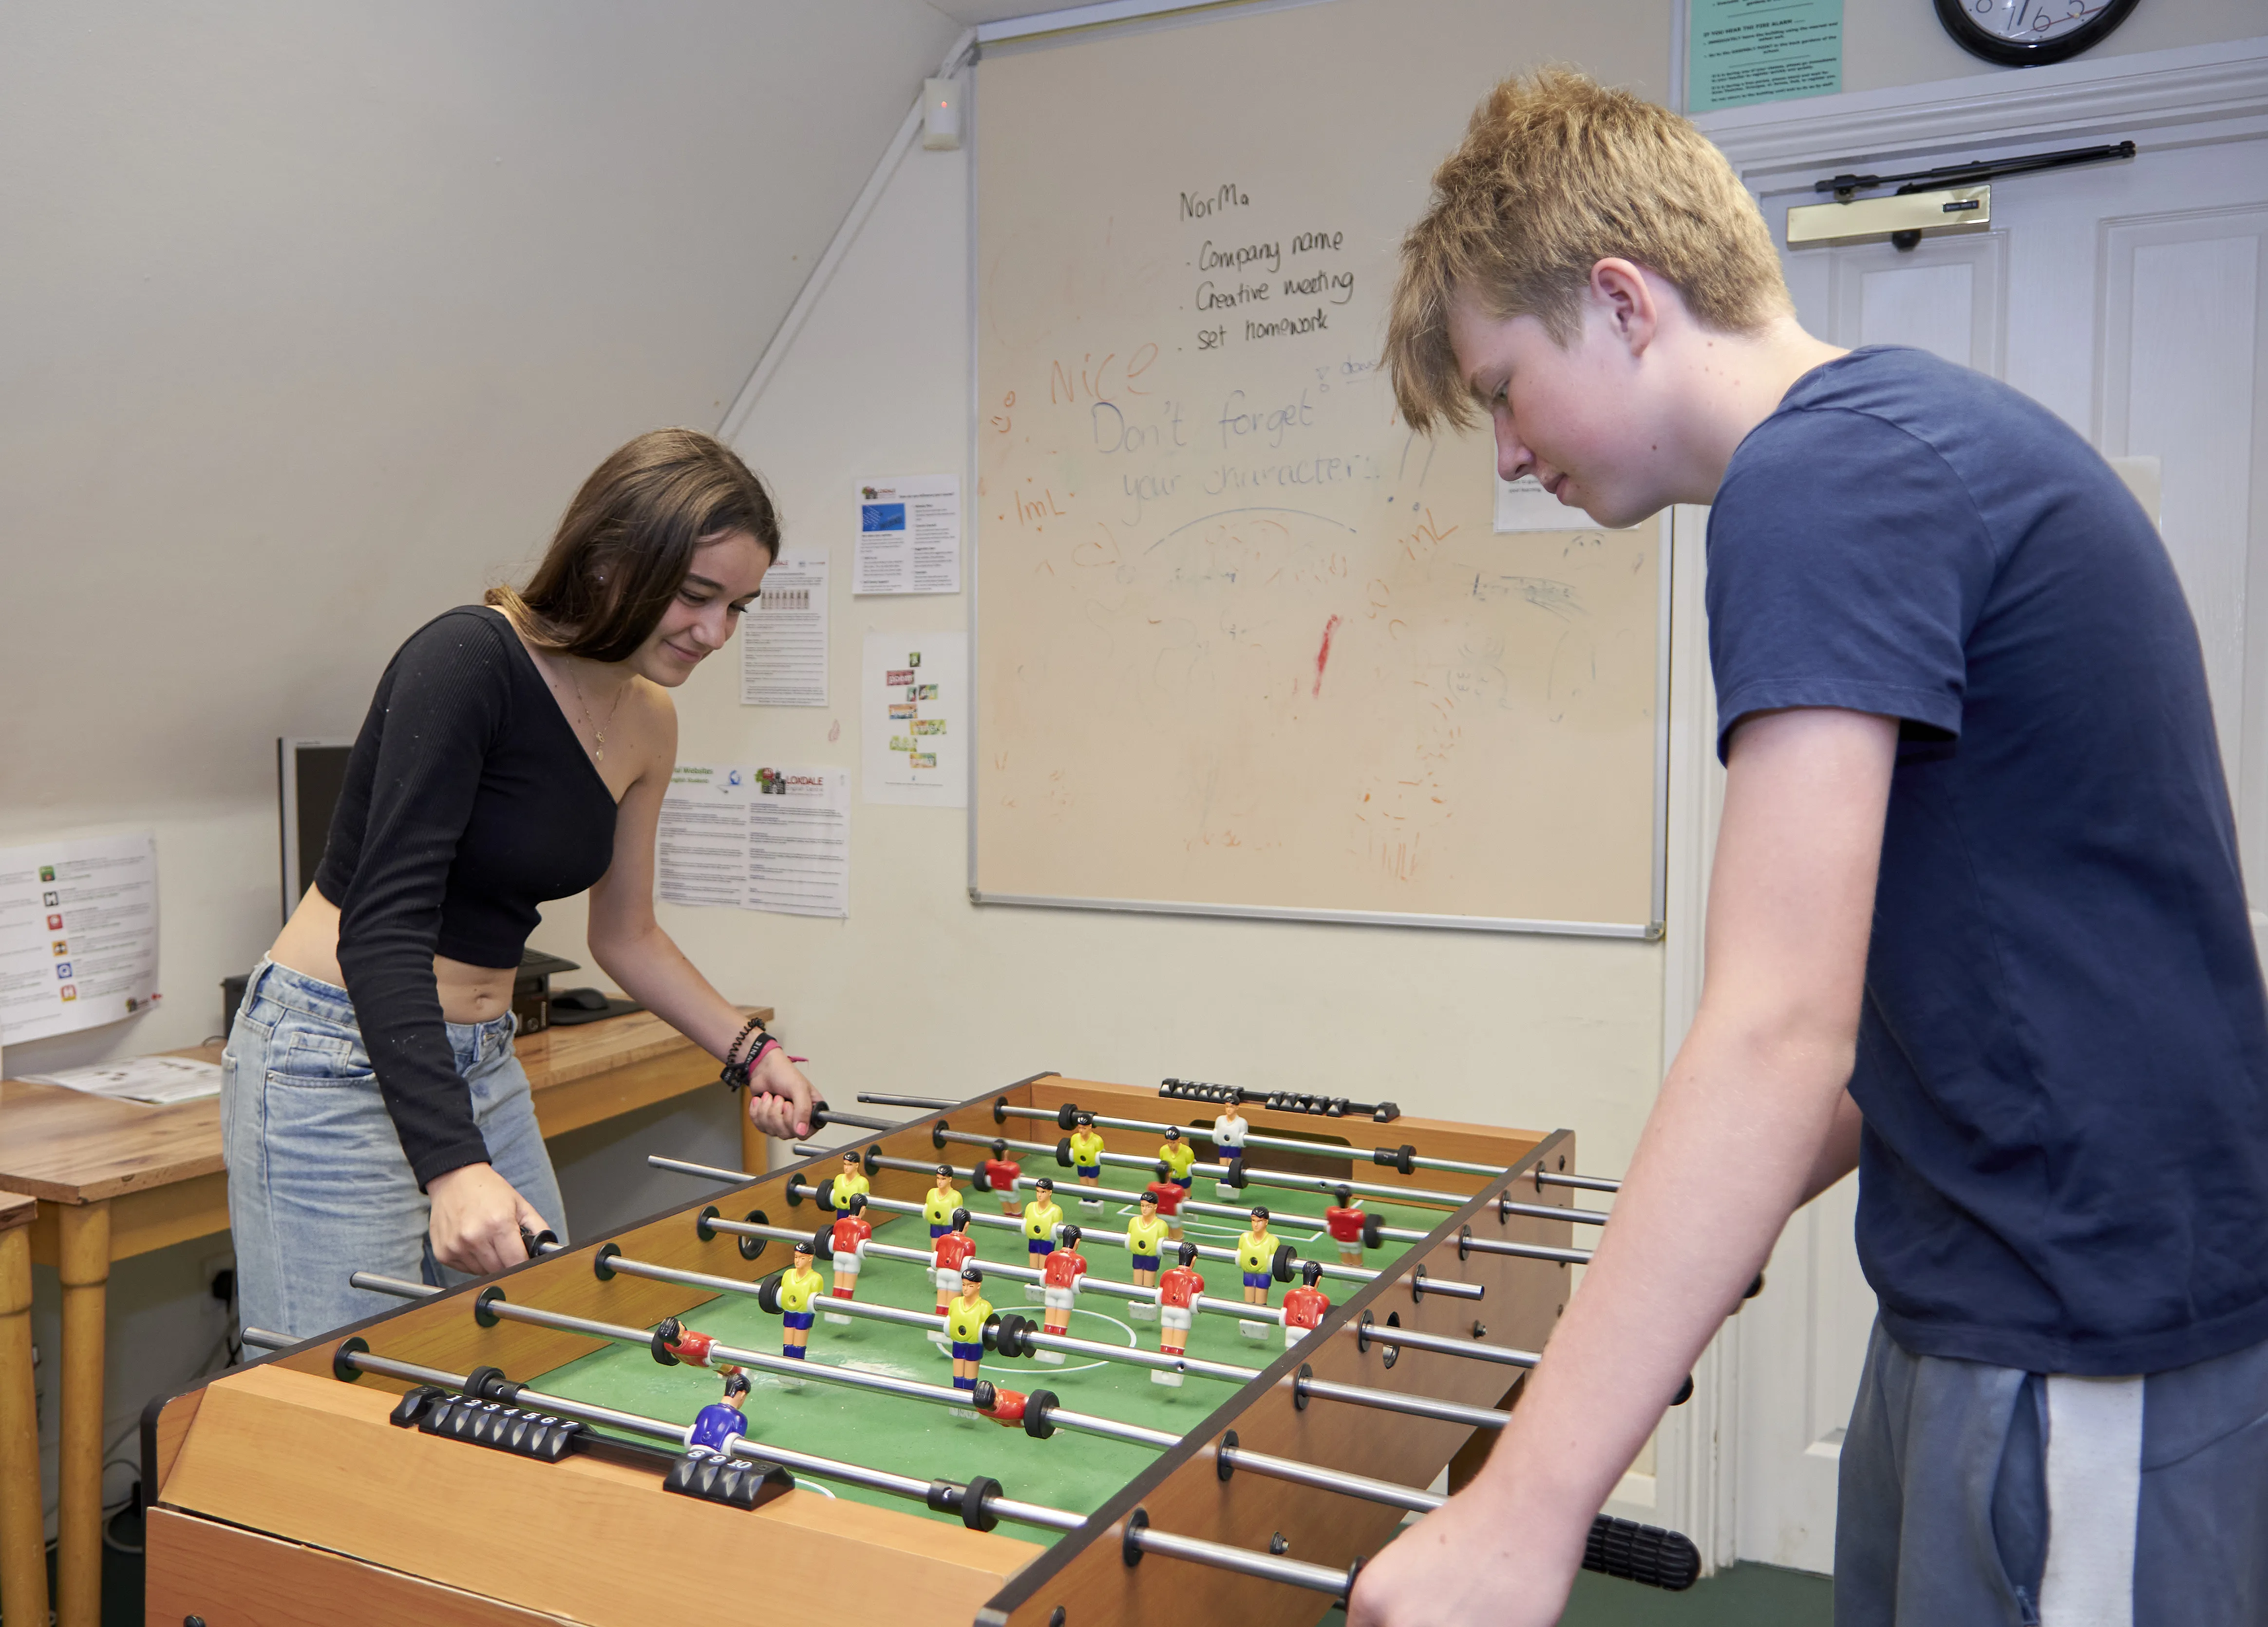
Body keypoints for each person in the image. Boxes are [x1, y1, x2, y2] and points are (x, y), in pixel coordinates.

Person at [1349, 70, 2268, 1627]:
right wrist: (1704, 1236)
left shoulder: (1823, 478)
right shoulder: (1907, 441)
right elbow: (1936, 999)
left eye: (1501, 390)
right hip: (1979, 1295)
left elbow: (1778, 1026)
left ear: (1624, 303)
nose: (1504, 455)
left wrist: (1524, 1507)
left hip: (2084, 1329)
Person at [223, 429, 817, 1340]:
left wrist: (750, 1052)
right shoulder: (468, 660)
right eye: (697, 596)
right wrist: (453, 1168)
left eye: (739, 607)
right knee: (346, 1391)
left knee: (543, 1349)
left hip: (481, 1058)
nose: (715, 632)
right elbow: (381, 929)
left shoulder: (650, 719)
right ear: (613, 559)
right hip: (330, 1055)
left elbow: (627, 936)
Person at [1153, 1241, 1205, 1387]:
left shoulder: (1167, 1274)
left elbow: (1160, 1295)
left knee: (1165, 1343)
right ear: (1194, 1259)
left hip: (1167, 1310)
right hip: (1183, 1313)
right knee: (1178, 1345)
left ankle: (1162, 1370)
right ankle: (1174, 1374)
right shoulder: (1197, 1279)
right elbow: (1196, 1303)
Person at [1037, 1223, 1090, 1361]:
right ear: (1077, 1242)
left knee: (1048, 1323)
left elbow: (1045, 1274)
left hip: (1051, 1290)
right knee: (1060, 1324)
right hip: (1066, 1293)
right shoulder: (1079, 1261)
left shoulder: (1051, 1256)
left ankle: (1045, 1349)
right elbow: (1079, 1283)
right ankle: (1056, 1352)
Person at [1124, 1189, 1172, 1320]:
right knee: (1138, 1281)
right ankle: (1137, 1304)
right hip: (1137, 1255)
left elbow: (1163, 1244)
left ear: (1155, 1207)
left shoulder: (1161, 1225)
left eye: (1148, 1206)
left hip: (1152, 1256)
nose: (1144, 1210)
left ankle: (1148, 1304)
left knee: (1148, 1282)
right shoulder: (1134, 1221)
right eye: (1142, 1206)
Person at [825, 1194, 871, 1323]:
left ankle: (833, 1311)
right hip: (852, 1257)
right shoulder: (864, 1227)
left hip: (838, 1255)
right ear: (862, 1209)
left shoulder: (839, 1223)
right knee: (848, 1287)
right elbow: (865, 1246)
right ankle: (843, 1314)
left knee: (837, 1285)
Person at [684, 1368, 750, 1456]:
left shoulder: (706, 1410)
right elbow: (736, 1446)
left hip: (693, 1451)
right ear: (743, 1395)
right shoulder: (739, 1419)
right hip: (718, 1457)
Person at [1233, 1207, 1274, 1340]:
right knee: (1249, 1300)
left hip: (1263, 1274)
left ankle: (1260, 1326)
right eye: (1253, 1220)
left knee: (1261, 1301)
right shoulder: (1244, 1238)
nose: (1256, 1224)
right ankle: (1248, 1325)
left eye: (1260, 1221)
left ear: (1266, 1222)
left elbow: (1273, 1261)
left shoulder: (1273, 1241)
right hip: (1249, 1273)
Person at [1068, 1111, 1107, 1207]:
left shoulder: (1097, 1140)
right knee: (1083, 1178)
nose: (1081, 1131)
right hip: (1081, 1164)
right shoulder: (1075, 1138)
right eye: (1080, 1128)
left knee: (1092, 1179)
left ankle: (1094, 1199)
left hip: (1092, 1164)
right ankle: (1085, 1198)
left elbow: (1100, 1153)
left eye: (1084, 1128)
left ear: (1090, 1127)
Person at [1323, 1186, 1366, 1268]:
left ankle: (1346, 1279)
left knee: (1345, 1261)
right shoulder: (1358, 1215)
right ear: (1349, 1198)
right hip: (1354, 1242)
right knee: (1357, 1262)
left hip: (1341, 1241)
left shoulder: (1330, 1212)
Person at [923, 1163, 964, 1238]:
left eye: (943, 1179)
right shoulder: (932, 1193)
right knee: (935, 1249)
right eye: (938, 1178)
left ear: (950, 1179)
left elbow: (959, 1220)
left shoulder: (956, 1197)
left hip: (949, 1228)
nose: (940, 1182)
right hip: (935, 1226)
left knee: (948, 1247)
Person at [1156, 1124, 1197, 1190]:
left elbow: (1191, 1166)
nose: (1170, 1145)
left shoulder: (1188, 1152)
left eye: (1173, 1143)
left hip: (1184, 1177)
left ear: (1179, 1140)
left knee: (1186, 1192)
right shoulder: (1163, 1150)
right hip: (1171, 1178)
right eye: (1168, 1142)